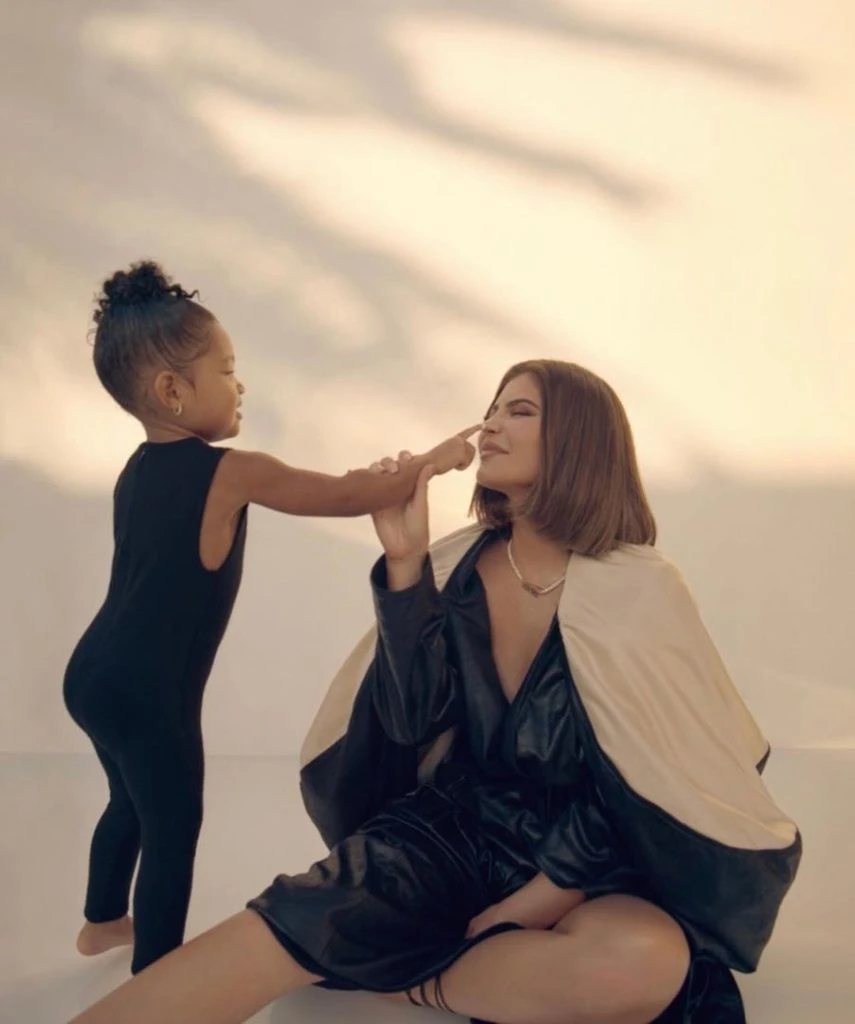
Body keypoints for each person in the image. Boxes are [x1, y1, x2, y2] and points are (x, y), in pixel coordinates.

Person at [69, 360, 801, 1024]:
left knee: (645, 962)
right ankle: (430, 963)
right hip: (448, 831)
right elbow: (411, 720)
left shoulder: (640, 586)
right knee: (277, 928)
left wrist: (533, 900)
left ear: (581, 439)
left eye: (519, 411)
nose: (489, 425)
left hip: (592, 861)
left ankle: (407, 977)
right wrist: (405, 564)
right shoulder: (457, 565)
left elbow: (654, 778)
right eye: (491, 409)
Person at [62, 260, 476, 976]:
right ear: (173, 391)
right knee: (172, 825)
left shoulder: (136, 470)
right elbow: (346, 496)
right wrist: (433, 461)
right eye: (227, 370)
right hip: (150, 695)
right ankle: (155, 982)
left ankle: (102, 923)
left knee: (126, 800)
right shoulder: (232, 472)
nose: (240, 384)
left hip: (92, 675)